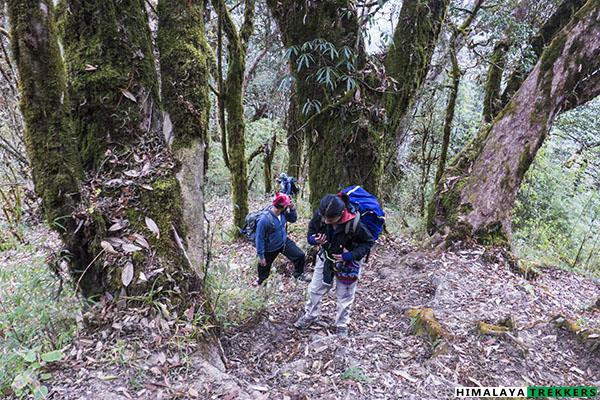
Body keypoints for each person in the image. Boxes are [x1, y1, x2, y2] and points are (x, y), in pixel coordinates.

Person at [294, 193, 374, 336]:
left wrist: (350, 256)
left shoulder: (355, 224)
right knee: (315, 289)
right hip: (325, 256)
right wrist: (313, 239)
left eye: (330, 219)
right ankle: (310, 315)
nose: (326, 221)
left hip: (349, 263)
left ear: (341, 213)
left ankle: (342, 324)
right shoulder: (321, 215)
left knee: (345, 295)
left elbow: (368, 243)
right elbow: (311, 230)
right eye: (324, 217)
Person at [255, 193, 309, 285]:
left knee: (300, 255)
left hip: (283, 243)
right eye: (287, 205)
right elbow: (259, 238)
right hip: (270, 248)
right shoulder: (264, 220)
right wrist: (261, 256)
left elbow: (293, 219)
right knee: (263, 266)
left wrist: (292, 209)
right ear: (282, 206)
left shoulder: (282, 213)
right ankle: (261, 283)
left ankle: (298, 275)